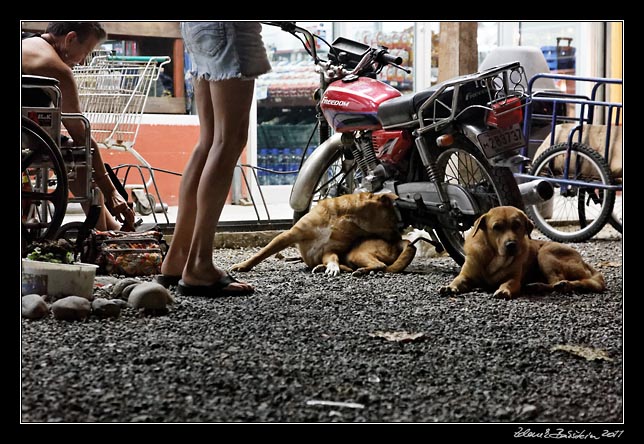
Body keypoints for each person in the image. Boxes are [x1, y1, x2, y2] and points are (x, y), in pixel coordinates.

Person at [157, 22, 271, 296]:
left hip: (198, 27)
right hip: (229, 28)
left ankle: (178, 257)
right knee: (228, 140)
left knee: (209, 140)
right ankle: (199, 264)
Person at [22, 22, 136, 231]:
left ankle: (108, 226)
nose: (83, 62)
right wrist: (110, 191)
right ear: (71, 38)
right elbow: (81, 134)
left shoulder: (29, 43)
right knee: (77, 153)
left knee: (69, 149)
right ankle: (102, 231)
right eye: (86, 52)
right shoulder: (56, 68)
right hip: (26, 136)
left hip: (28, 130)